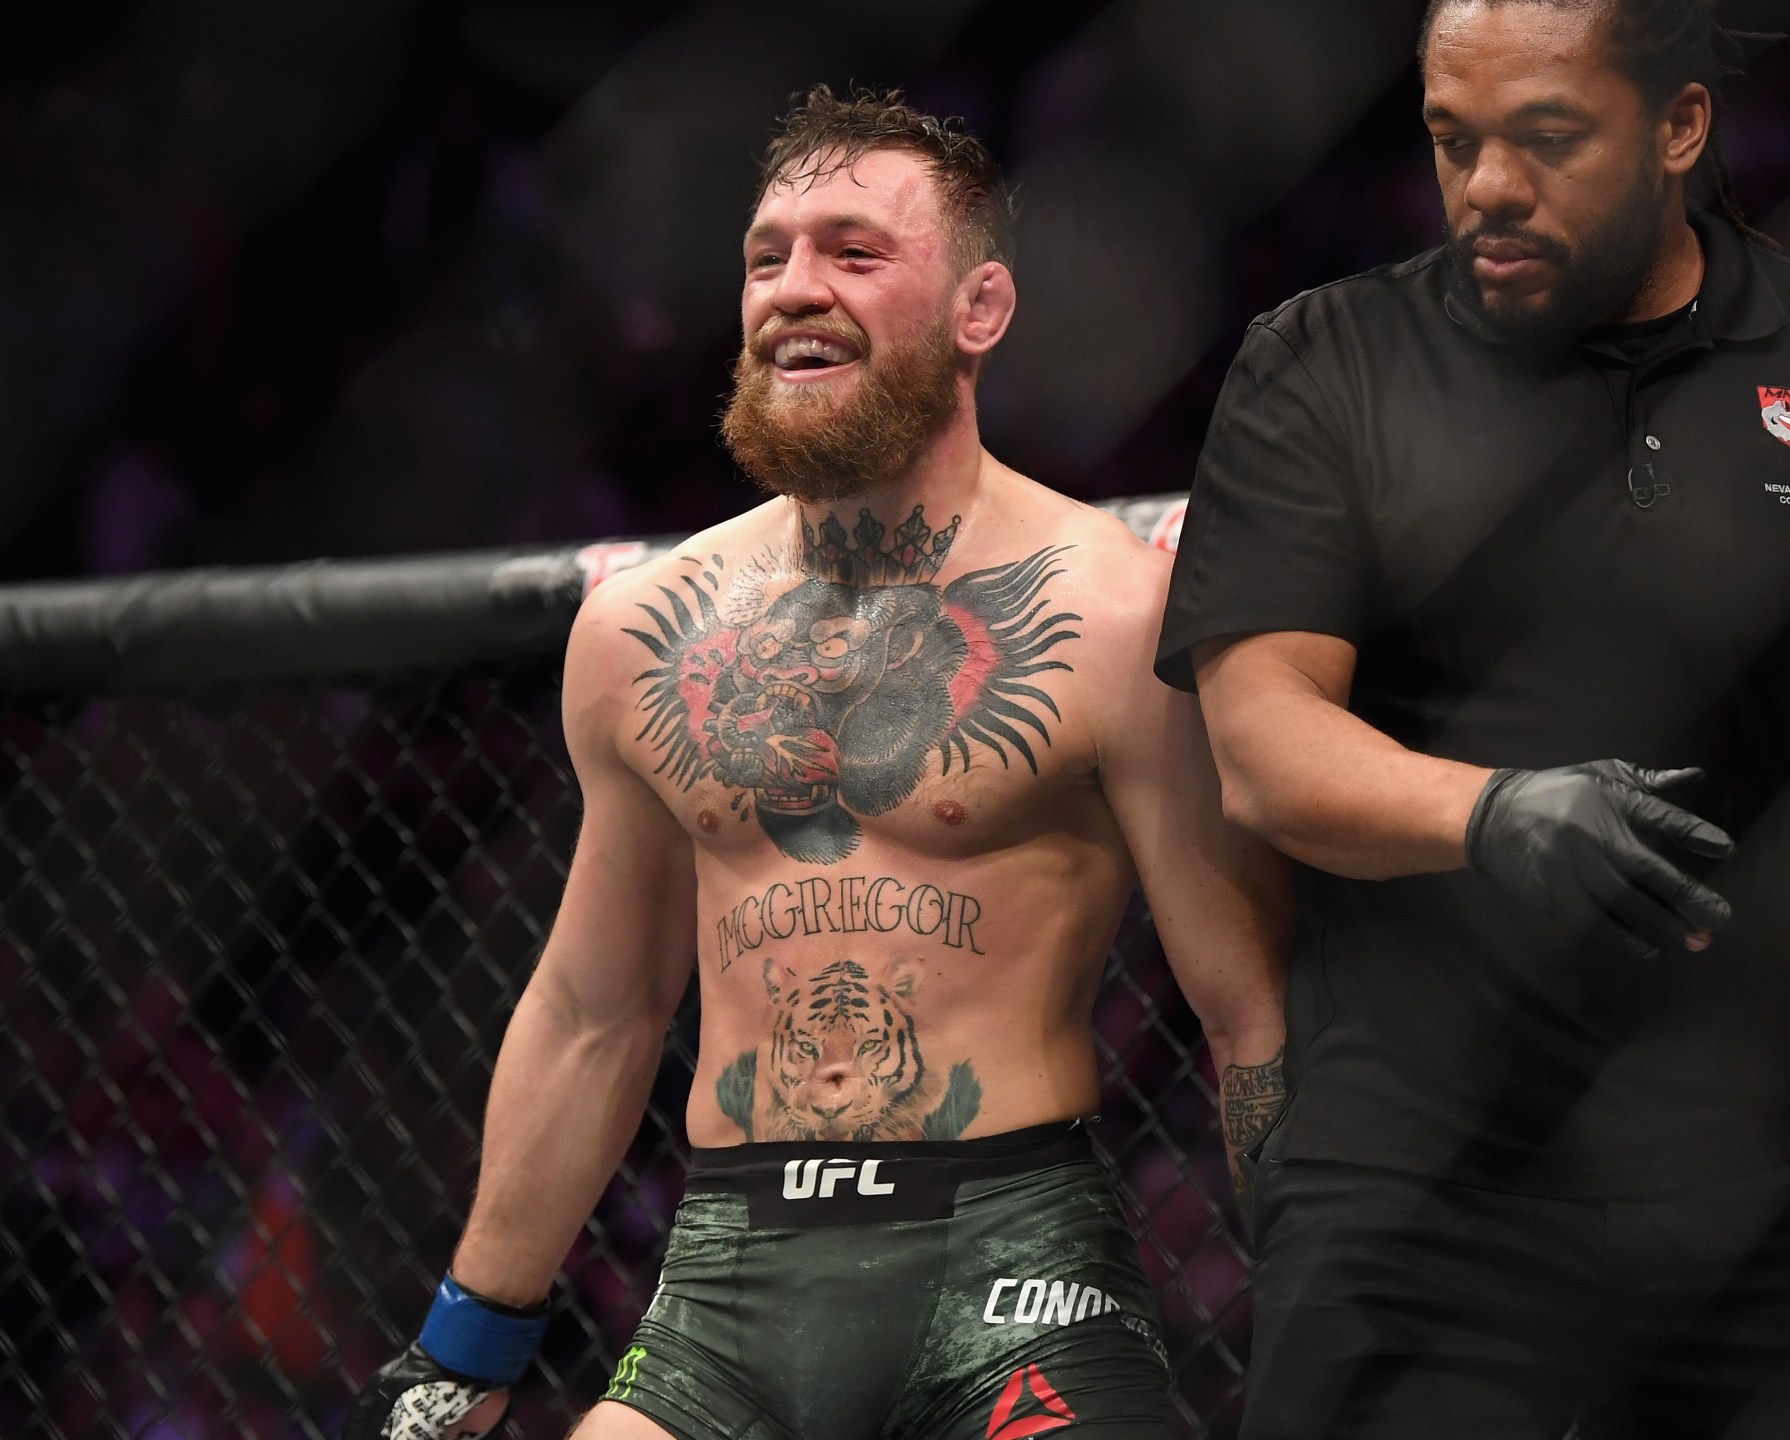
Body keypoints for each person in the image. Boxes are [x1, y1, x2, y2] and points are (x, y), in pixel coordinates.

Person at [342, 89, 1291, 1440]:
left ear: (981, 308)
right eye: (766, 255)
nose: (795, 287)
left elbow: (1247, 1009)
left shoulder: (1111, 610)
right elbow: (597, 1009)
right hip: (727, 1286)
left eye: (853, 251)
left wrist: (1325, 1326)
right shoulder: (642, 632)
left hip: (1011, 1267)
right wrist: (461, 1353)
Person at [1152, 2, 1790, 1435]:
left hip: (1756, 1157)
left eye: (1547, 137)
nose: (1488, 184)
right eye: (1452, 139)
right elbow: (1263, 746)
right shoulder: (1331, 360)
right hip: (1414, 1171)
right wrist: (1495, 814)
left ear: (1679, 126)